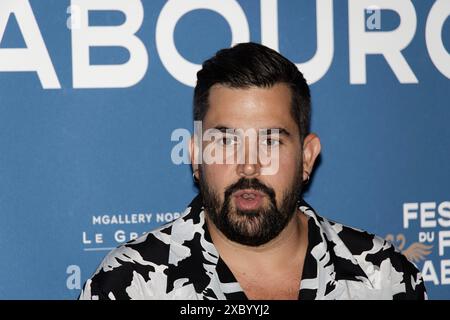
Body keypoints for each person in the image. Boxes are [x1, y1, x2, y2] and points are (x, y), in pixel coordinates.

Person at [79, 42, 426, 300]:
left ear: (307, 157)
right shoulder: (131, 284)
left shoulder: (383, 278)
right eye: (226, 141)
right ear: (196, 157)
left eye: (271, 140)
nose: (249, 164)